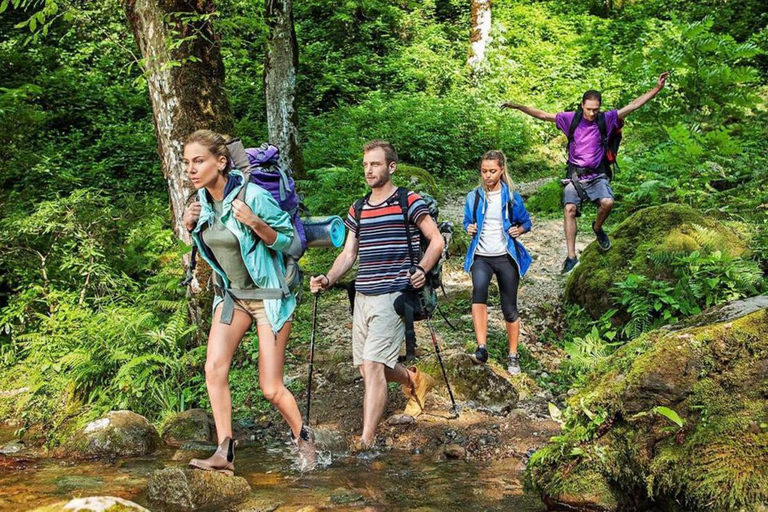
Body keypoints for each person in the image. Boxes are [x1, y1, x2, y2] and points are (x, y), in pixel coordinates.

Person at [182, 129, 315, 474]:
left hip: (270, 298)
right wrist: (190, 227)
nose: (191, 169)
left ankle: (305, 441)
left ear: (221, 162)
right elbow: (217, 249)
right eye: (187, 163)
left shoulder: (253, 196)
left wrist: (256, 223)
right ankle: (225, 452)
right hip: (234, 297)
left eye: (199, 161)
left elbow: (292, 244)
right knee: (214, 369)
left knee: (270, 388)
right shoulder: (201, 203)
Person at [309, 140, 444, 451]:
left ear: (391, 167)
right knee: (369, 366)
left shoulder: (408, 201)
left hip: (395, 293)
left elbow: (435, 240)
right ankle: (414, 380)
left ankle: (366, 442)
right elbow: (349, 253)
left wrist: (422, 269)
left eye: (376, 164)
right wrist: (328, 278)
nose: (369, 170)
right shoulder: (358, 208)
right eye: (366, 165)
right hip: (363, 295)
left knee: (372, 366)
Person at [502, 72, 669, 274]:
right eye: (589, 109)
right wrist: (517, 106)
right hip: (575, 176)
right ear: (582, 105)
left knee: (607, 203)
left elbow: (633, 105)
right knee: (569, 209)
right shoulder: (570, 119)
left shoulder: (606, 119)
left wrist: (657, 89)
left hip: (597, 174)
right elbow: (542, 114)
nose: (591, 113)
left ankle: (597, 228)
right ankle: (571, 257)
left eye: (595, 110)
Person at [463, 150, 532, 375]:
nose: (488, 175)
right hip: (481, 256)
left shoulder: (511, 197)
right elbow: (467, 222)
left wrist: (519, 230)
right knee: (478, 293)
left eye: (492, 171)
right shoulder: (473, 197)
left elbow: (526, 222)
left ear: (502, 170)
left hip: (505, 256)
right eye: (484, 171)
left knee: (509, 307)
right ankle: (481, 347)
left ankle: (513, 355)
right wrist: (469, 228)